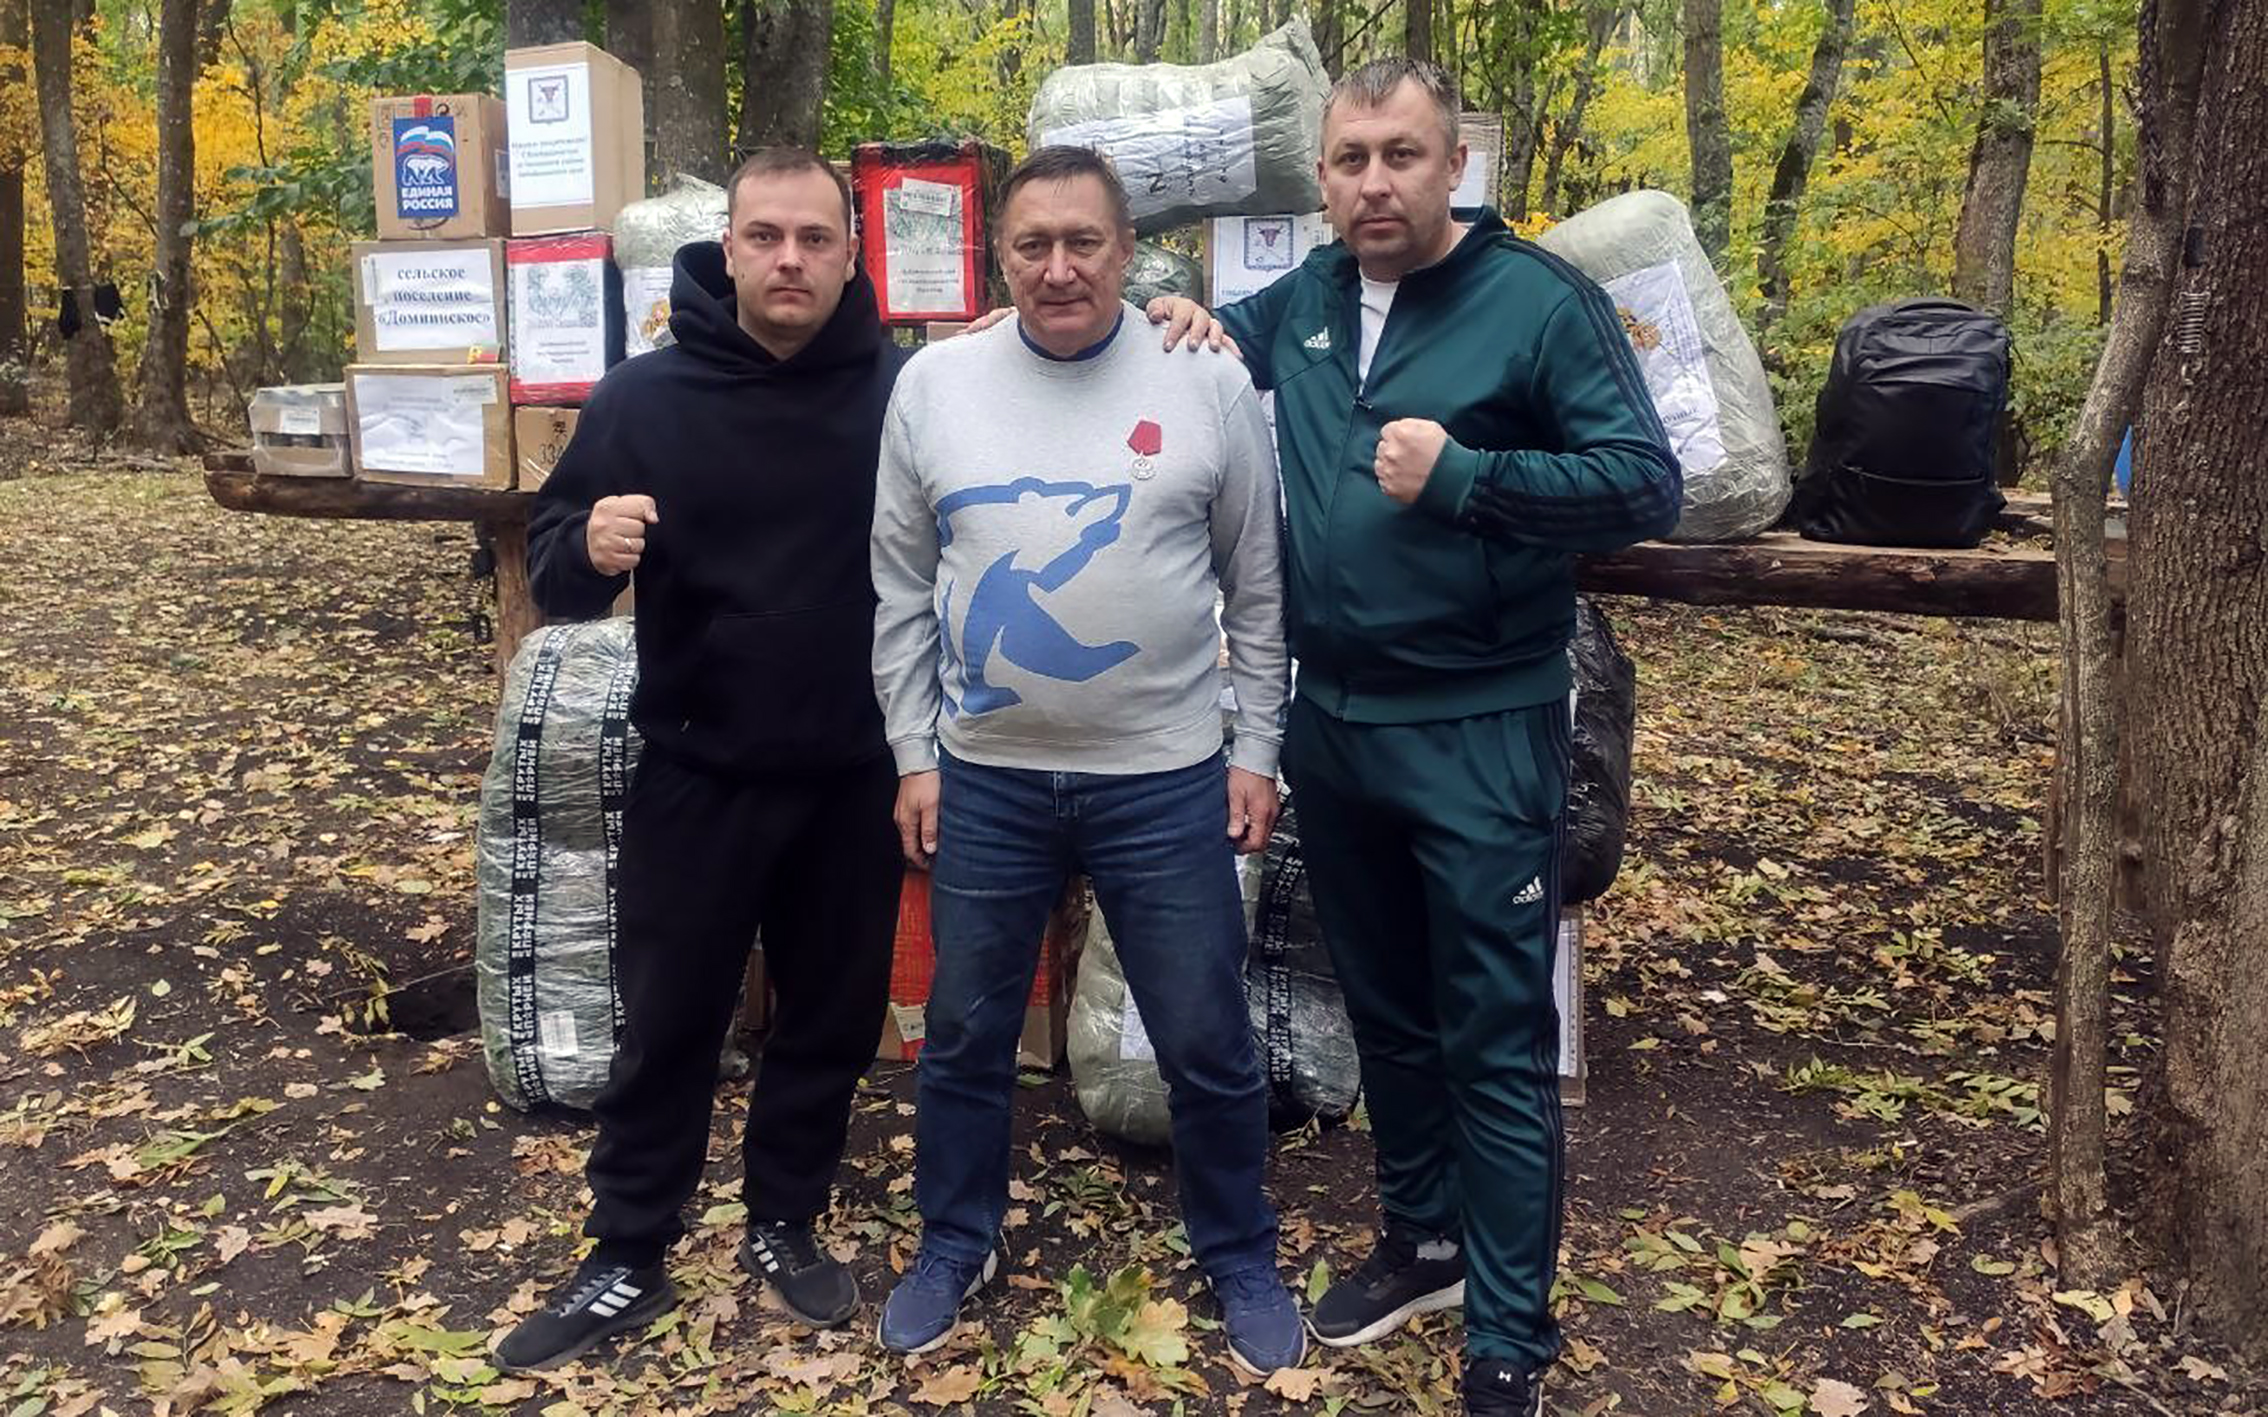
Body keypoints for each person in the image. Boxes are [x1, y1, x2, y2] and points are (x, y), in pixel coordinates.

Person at [1147, 60, 1682, 1417]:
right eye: (1350, 160)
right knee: (1385, 1014)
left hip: (1480, 725)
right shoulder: (1311, 298)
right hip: (1335, 724)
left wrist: (1468, 477)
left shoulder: (1537, 303)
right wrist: (1167, 314)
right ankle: (1424, 1240)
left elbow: (1644, 484)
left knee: (1490, 1034)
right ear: (1323, 180)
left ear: (1455, 166)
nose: (1375, 182)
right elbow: (1202, 339)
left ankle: (1509, 1329)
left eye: (1401, 155)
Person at [867, 145, 1306, 1377]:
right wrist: (914, 751)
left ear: (1127, 251)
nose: (1059, 268)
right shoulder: (934, 386)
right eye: (1032, 244)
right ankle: (955, 1237)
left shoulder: (1206, 378)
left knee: (1205, 1035)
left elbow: (1257, 586)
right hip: (987, 775)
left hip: (1165, 775)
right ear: (997, 256)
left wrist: (1256, 746)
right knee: (965, 1031)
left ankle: (1238, 1247)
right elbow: (899, 586)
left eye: (1084, 242)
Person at [498, 148, 908, 1372]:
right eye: (765, 236)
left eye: (815, 238)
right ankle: (629, 1247)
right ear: (727, 251)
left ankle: (785, 1215)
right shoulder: (642, 399)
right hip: (697, 765)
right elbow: (555, 569)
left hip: (853, 773)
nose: (790, 259)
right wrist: (590, 543)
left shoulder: (905, 392)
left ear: (850, 253)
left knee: (830, 1019)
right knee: (669, 1021)